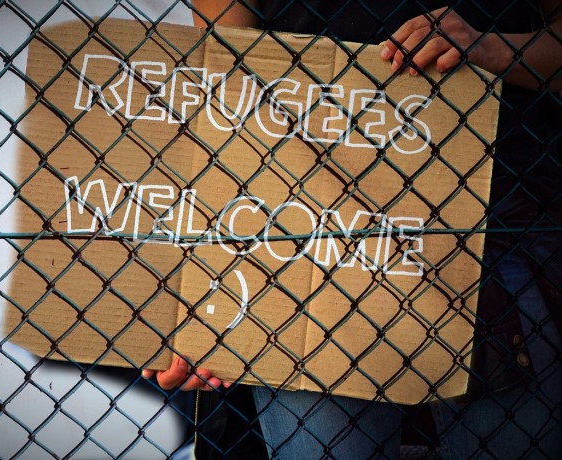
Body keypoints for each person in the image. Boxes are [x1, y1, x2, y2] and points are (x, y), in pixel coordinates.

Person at [144, 1, 562, 458]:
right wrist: (200, 297)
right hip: (303, 255)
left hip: (492, 239)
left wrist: (495, 50)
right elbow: (222, 90)